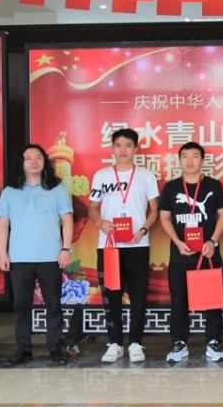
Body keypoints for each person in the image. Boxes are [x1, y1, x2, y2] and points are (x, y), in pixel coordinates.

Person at [0, 144, 73, 366]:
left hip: (50, 257)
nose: (33, 162)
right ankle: (23, 349)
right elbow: (2, 223)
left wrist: (65, 249)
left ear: (44, 162)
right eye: (28, 158)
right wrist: (3, 253)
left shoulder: (56, 189)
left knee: (53, 305)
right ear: (21, 163)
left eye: (38, 157)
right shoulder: (10, 192)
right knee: (21, 307)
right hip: (19, 258)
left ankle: (55, 348)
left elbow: (67, 219)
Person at [89, 128, 159, 363]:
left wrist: (143, 229)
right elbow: (92, 208)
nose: (123, 150)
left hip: (137, 244)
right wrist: (100, 223)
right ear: (112, 148)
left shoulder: (146, 176)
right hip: (109, 245)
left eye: (128, 145)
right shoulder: (101, 175)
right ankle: (115, 343)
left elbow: (155, 210)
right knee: (111, 295)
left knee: (138, 295)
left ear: (135, 149)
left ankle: (136, 343)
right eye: (118, 145)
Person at [158, 142, 223, 363]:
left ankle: (214, 342)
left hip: (207, 253)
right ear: (179, 160)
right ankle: (179, 343)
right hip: (180, 254)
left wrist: (213, 241)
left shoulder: (214, 186)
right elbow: (164, 218)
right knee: (178, 300)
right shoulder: (171, 188)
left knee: (212, 300)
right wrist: (177, 242)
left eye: (195, 156)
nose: (189, 161)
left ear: (202, 160)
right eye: (185, 156)